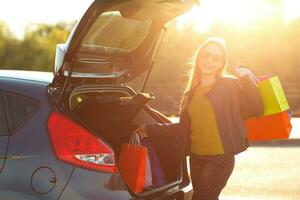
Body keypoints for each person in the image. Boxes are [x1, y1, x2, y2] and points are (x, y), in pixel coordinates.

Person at [134, 37, 263, 200]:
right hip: (196, 159)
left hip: (220, 159)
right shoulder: (191, 93)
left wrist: (245, 79)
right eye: (206, 55)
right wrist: (149, 129)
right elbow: (183, 128)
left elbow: (256, 109)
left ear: (221, 63)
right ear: (199, 57)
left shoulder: (229, 86)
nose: (209, 60)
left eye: (216, 58)